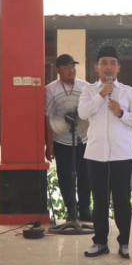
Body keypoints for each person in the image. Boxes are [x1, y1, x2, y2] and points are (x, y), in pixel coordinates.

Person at [78, 45, 132, 258]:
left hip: (122, 155)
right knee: (99, 201)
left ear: (119, 68)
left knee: (122, 201)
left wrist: (121, 113)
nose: (108, 66)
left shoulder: (128, 92)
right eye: (104, 63)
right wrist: (101, 95)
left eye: (113, 63)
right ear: (96, 67)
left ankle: (125, 242)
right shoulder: (89, 91)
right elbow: (82, 113)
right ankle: (100, 242)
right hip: (95, 154)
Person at [45, 54, 92, 221]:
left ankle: (85, 210)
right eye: (67, 67)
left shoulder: (85, 87)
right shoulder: (50, 89)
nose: (71, 70)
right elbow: (48, 119)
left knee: (86, 175)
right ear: (58, 70)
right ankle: (71, 210)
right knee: (65, 177)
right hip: (61, 141)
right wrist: (49, 146)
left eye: (73, 67)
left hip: (84, 139)